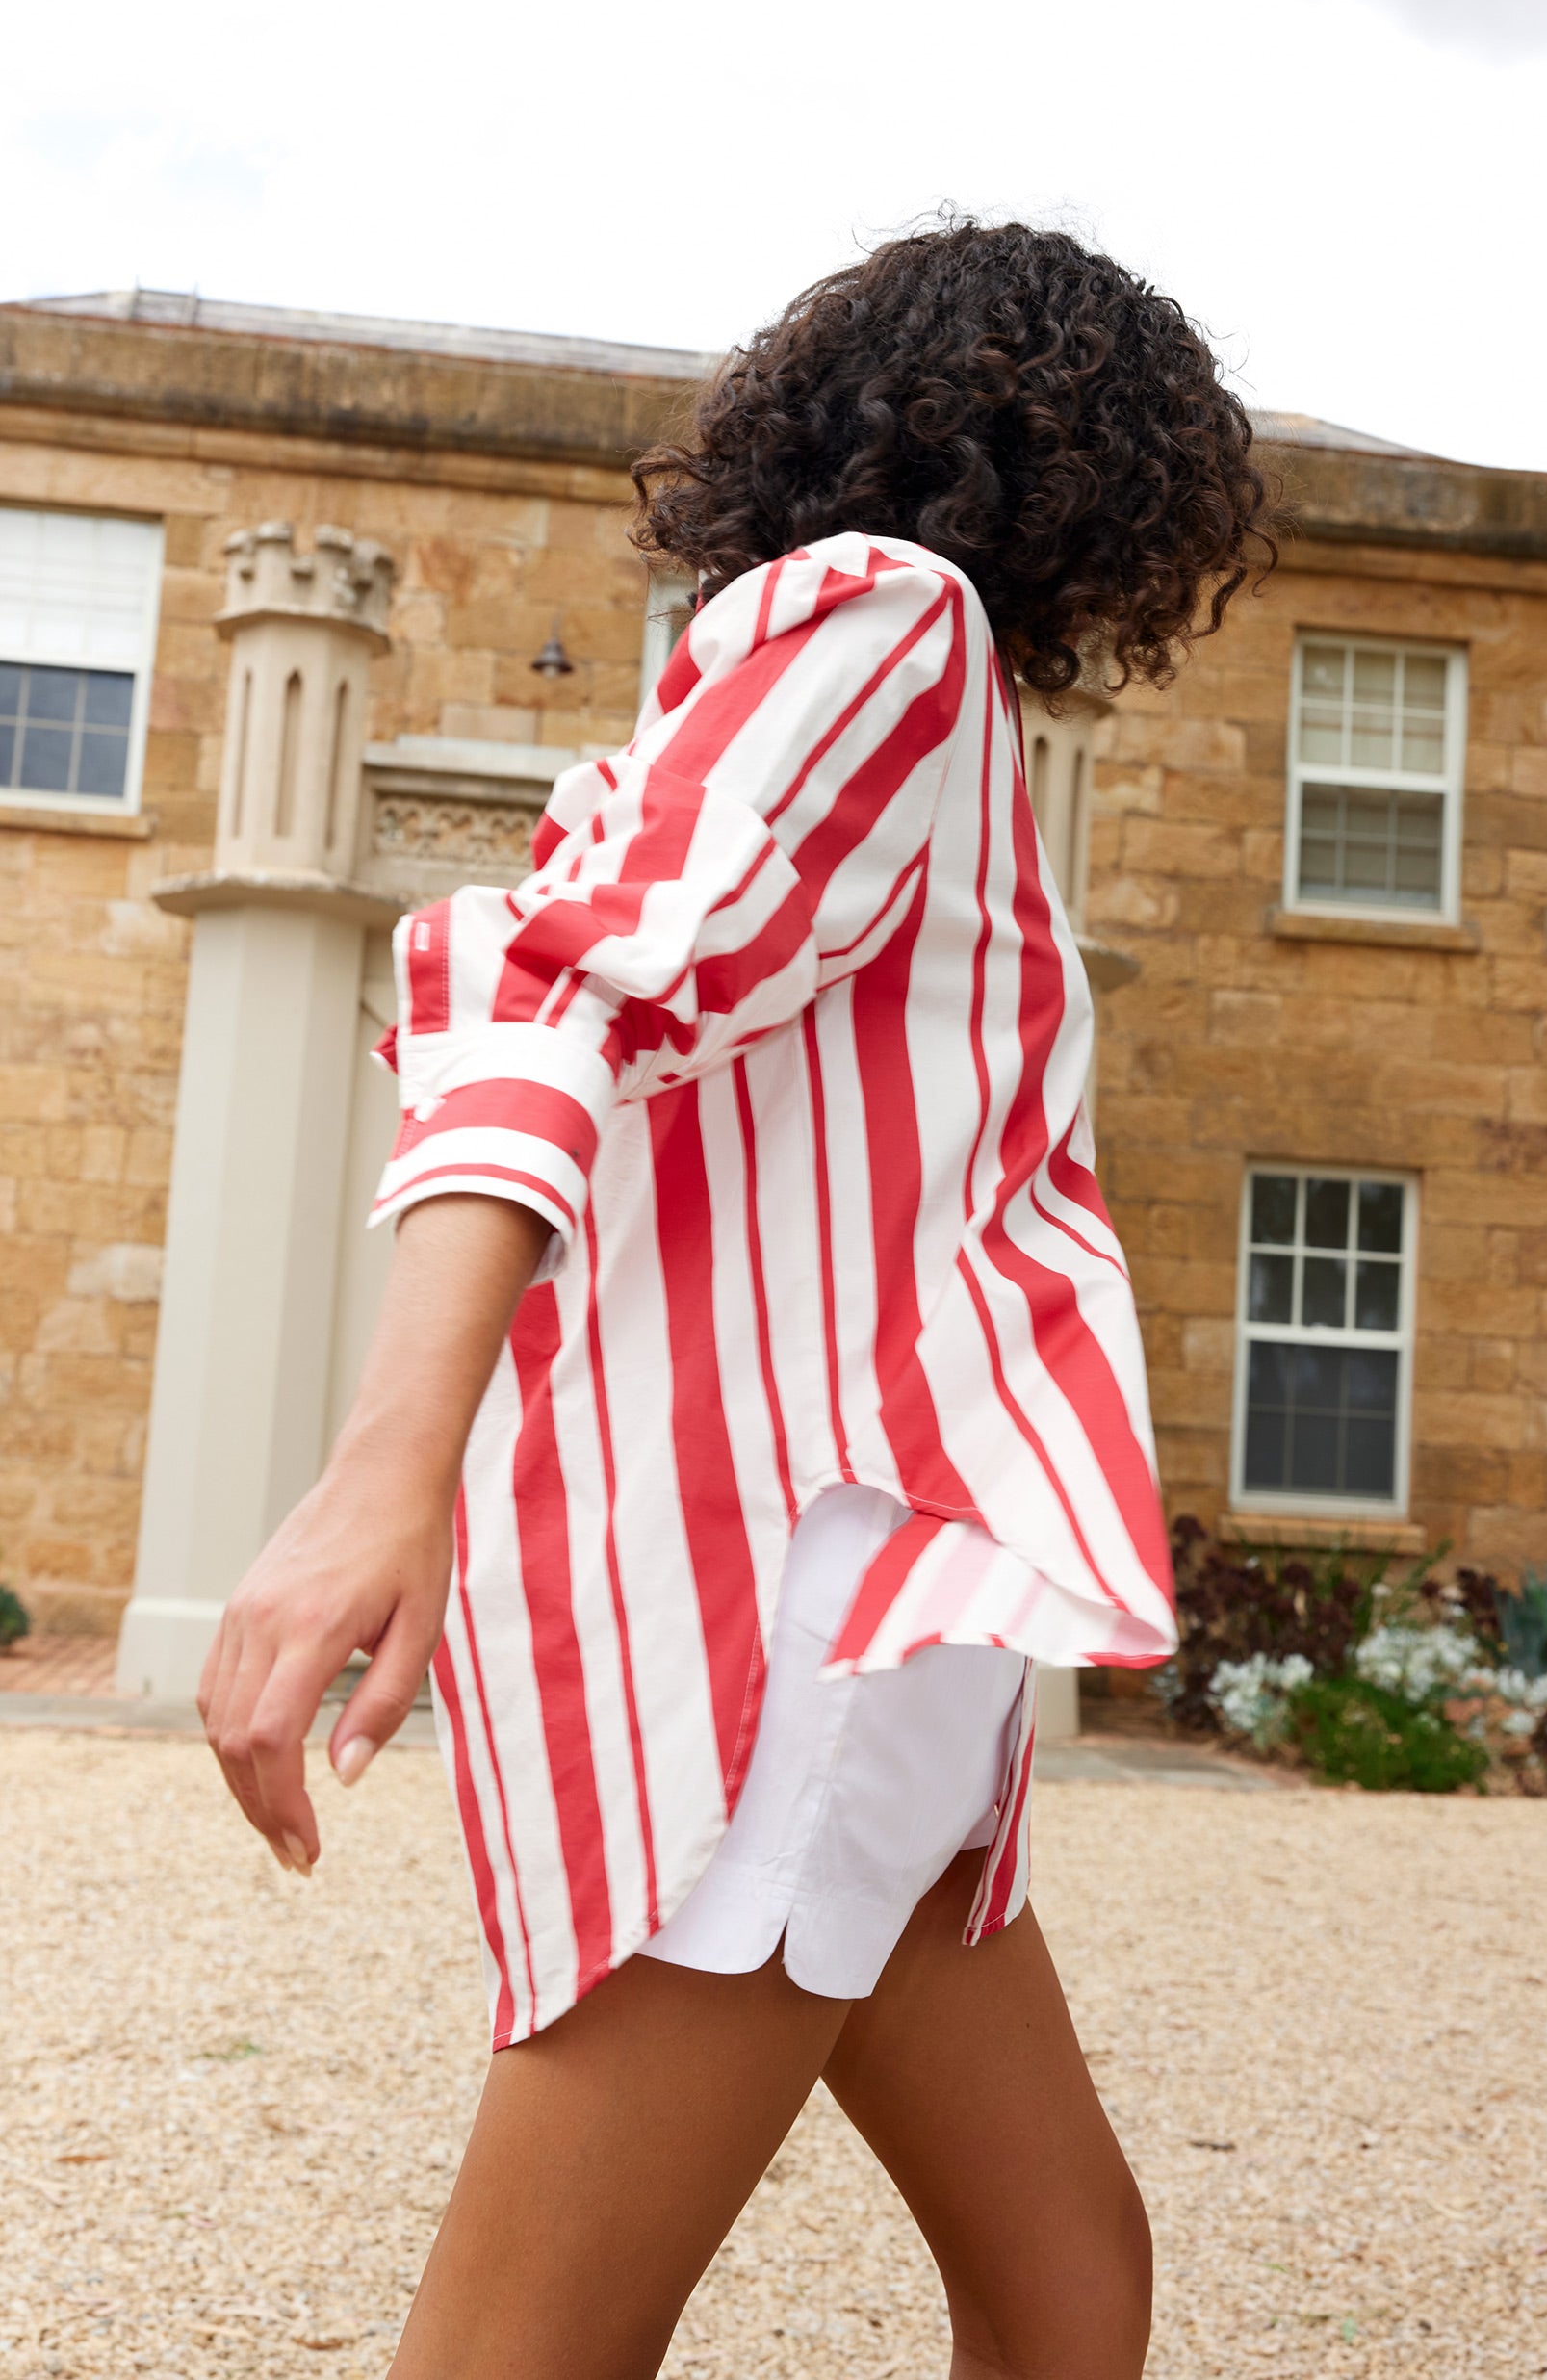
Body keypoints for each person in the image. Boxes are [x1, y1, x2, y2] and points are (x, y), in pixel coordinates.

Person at [198, 219, 1270, 2380]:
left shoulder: (853, 683)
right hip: (815, 1610)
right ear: (1101, 473)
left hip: (904, 1630)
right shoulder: (891, 615)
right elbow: (547, 977)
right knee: (528, 2351)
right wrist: (382, 1463)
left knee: (1070, 2287)